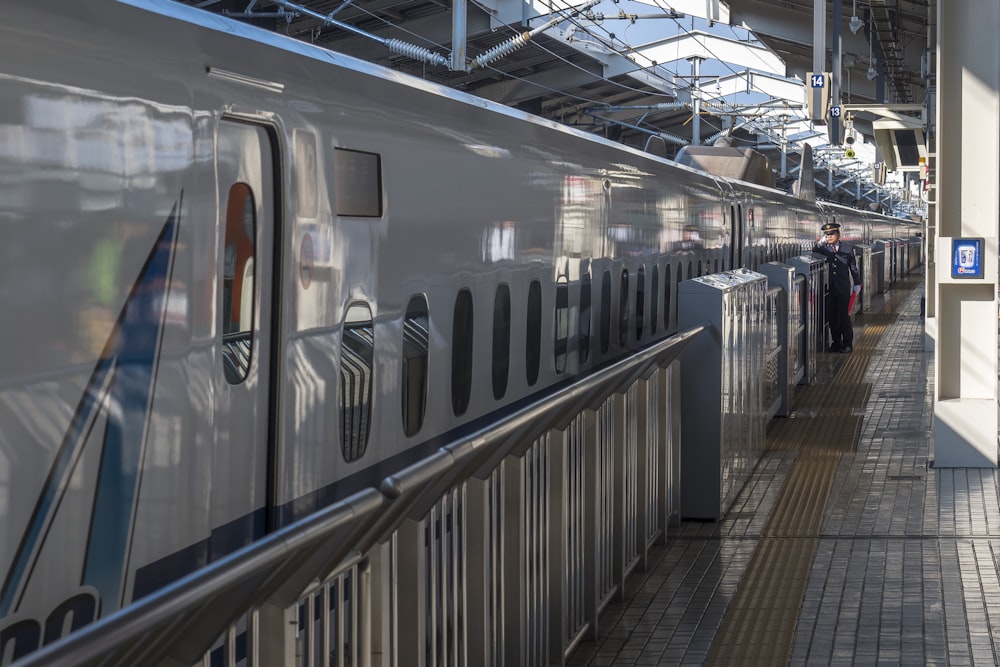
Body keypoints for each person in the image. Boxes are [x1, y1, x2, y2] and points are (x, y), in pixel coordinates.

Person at [813, 222, 861, 353]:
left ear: (838, 235)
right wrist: (818, 244)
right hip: (828, 288)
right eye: (827, 235)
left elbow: (853, 268)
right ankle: (836, 342)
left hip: (843, 288)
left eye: (831, 234)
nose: (829, 237)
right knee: (832, 316)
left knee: (844, 316)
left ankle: (847, 343)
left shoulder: (847, 248)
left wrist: (857, 283)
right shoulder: (824, 249)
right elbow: (814, 254)